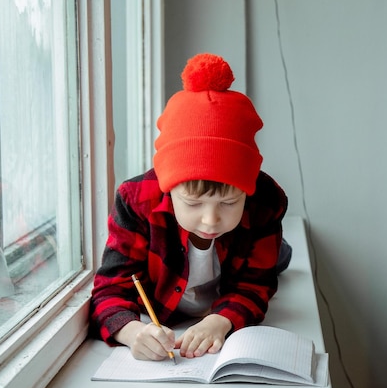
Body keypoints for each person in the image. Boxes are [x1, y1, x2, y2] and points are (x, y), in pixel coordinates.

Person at [89, 53, 290, 362]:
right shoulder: (135, 202)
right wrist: (132, 333)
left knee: (279, 259)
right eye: (194, 203)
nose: (210, 219)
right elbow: (108, 291)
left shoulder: (265, 202)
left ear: (247, 192)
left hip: (243, 255)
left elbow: (256, 285)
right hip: (168, 297)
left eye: (229, 202)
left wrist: (217, 321)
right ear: (169, 188)